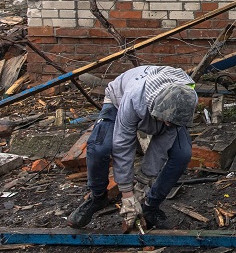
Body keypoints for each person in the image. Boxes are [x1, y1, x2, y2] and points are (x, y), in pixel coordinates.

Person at [67, 65, 197, 230]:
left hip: (166, 109)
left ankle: (150, 206)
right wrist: (127, 194)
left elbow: (160, 147)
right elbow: (123, 143)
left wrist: (142, 184)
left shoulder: (185, 101)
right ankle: (97, 197)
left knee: (182, 154)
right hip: (118, 101)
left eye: (171, 123)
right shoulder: (134, 97)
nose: (168, 125)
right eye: (166, 121)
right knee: (99, 147)